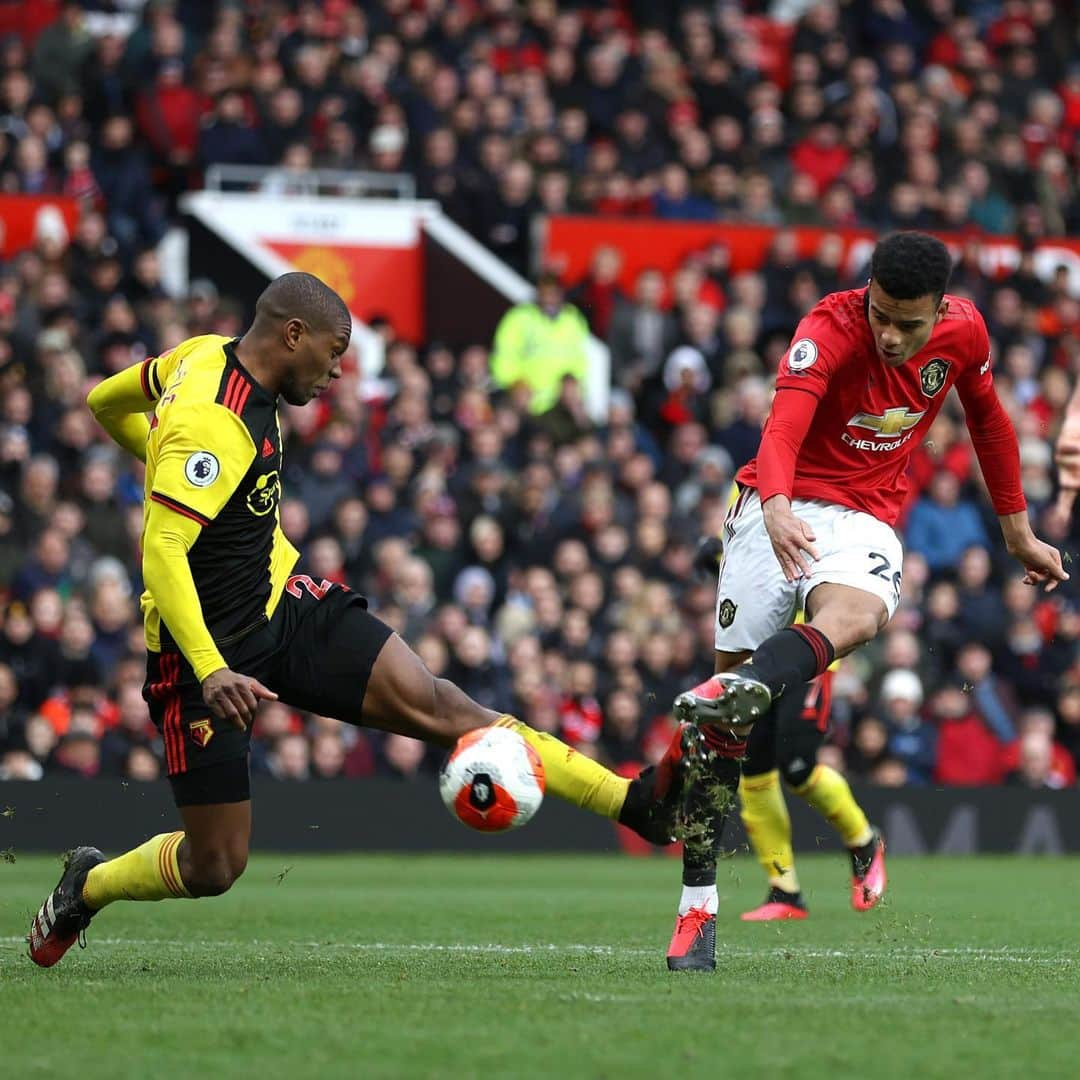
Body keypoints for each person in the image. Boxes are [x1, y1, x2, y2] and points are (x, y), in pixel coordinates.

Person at [27, 272, 697, 969]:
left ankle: (635, 803)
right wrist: (211, 665)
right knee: (215, 864)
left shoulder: (200, 354)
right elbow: (161, 552)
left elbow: (105, 401)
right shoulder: (211, 423)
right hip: (203, 655)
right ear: (292, 335)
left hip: (282, 602)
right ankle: (90, 884)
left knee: (443, 703)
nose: (338, 370)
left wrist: (169, 469)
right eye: (334, 350)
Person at [665, 232, 1067, 972]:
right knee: (723, 746)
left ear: (939, 311)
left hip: (864, 517)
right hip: (771, 507)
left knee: (856, 618)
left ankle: (748, 689)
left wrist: (1017, 533)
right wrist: (778, 505)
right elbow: (782, 424)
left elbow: (989, 419)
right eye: (881, 313)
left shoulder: (965, 331)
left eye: (907, 324)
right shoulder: (829, 327)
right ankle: (696, 913)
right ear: (867, 292)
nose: (889, 334)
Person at [490, 270, 590, 415]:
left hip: (561, 403)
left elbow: (579, 359)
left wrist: (574, 384)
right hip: (526, 402)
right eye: (545, 293)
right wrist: (514, 382)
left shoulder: (573, 319)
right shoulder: (519, 318)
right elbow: (504, 356)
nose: (549, 298)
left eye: (554, 293)